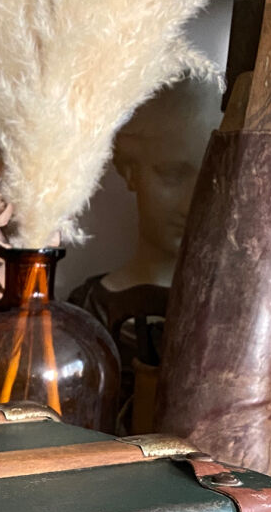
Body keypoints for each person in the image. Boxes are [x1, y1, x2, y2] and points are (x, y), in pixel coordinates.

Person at [68, 76, 222, 427]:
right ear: (130, 171)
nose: (190, 204)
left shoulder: (235, 313)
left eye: (210, 178)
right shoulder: (89, 309)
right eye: (172, 175)